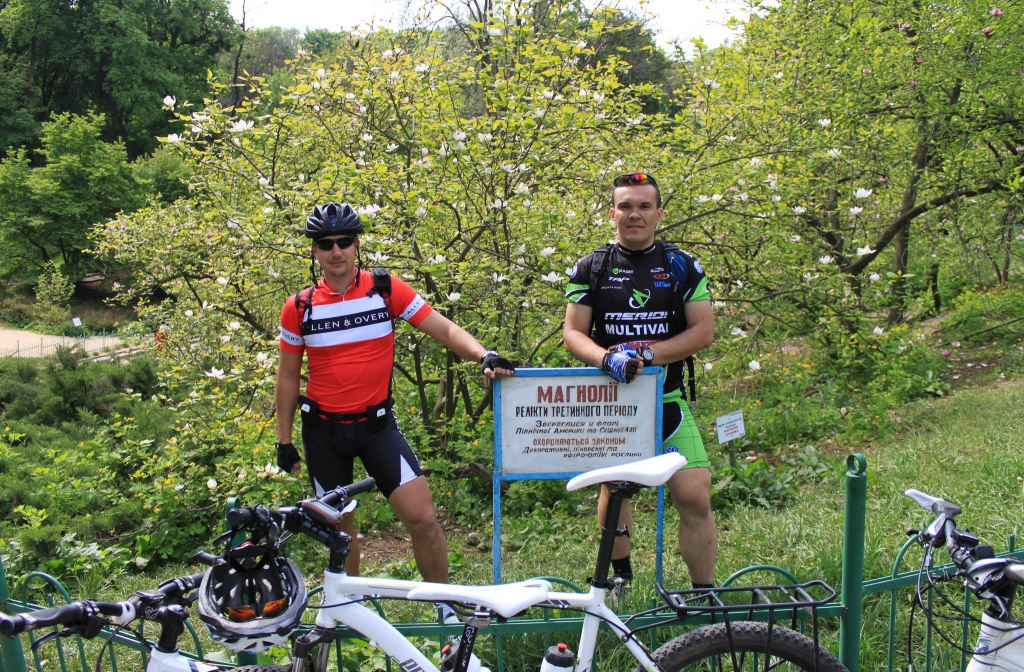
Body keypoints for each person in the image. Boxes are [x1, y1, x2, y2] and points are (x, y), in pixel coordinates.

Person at [275, 202, 514, 591]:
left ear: (357, 245)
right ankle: (349, 611)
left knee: (423, 518)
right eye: (326, 244)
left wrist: (482, 354)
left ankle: (444, 608)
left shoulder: (385, 289)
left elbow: (443, 328)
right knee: (340, 531)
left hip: (376, 428)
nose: (336, 251)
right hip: (323, 433)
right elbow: (287, 377)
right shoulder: (299, 307)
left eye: (344, 242)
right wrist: (283, 440)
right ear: (314, 250)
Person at [562, 172, 717, 590]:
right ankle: (621, 583)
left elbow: (703, 331)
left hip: (667, 400)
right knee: (616, 493)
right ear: (613, 214)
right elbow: (573, 334)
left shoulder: (682, 265)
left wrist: (647, 354)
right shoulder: (591, 267)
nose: (635, 214)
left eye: (644, 206)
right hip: (614, 405)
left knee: (695, 495)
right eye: (626, 206)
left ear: (659, 214)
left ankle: (704, 594)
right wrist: (606, 358)